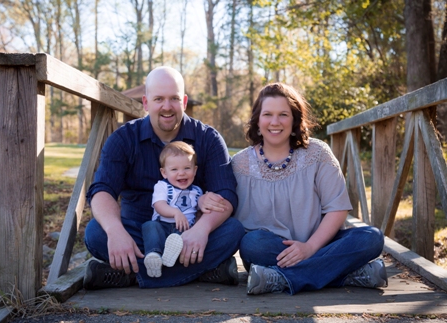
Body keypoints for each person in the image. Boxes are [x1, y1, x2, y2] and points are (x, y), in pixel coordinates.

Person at [83, 66, 244, 290]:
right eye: (159, 99)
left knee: (233, 230)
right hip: (139, 234)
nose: (167, 107)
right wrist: (115, 231)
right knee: (95, 233)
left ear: (184, 101)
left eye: (174, 99)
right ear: (146, 102)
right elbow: (101, 190)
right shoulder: (123, 138)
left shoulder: (208, 139)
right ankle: (205, 270)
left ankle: (129, 276)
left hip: (189, 234)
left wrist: (201, 230)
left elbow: (226, 196)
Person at [231, 83, 387, 295]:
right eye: (268, 114)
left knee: (372, 237)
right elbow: (221, 201)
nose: (275, 122)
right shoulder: (239, 164)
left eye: (283, 114)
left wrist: (310, 248)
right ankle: (345, 274)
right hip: (272, 251)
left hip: (320, 243)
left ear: (295, 119)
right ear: (257, 120)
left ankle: (280, 278)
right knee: (252, 243)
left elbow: (337, 208)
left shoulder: (317, 153)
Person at [143, 141, 203, 278]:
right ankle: (154, 255)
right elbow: (159, 205)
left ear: (195, 170)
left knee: (183, 238)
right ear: (164, 173)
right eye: (174, 170)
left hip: (184, 230)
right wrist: (176, 213)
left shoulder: (197, 191)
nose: (181, 173)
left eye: (187, 168)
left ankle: (171, 255)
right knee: (149, 226)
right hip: (162, 226)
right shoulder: (162, 186)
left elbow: (199, 212)